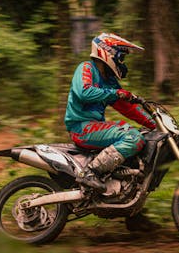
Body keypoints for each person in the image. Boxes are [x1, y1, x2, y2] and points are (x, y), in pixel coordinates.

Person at [64, 33, 160, 231]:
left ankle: (132, 214)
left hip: (94, 128)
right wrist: (116, 93)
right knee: (131, 136)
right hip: (82, 127)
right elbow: (84, 91)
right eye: (121, 57)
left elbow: (127, 108)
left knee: (137, 155)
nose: (122, 62)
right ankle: (89, 173)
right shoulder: (86, 68)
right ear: (108, 52)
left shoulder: (109, 81)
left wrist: (154, 124)